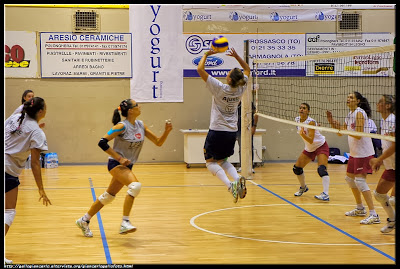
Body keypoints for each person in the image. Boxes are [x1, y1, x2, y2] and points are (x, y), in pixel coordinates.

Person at [75, 99, 172, 237]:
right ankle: (125, 222)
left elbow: (158, 142)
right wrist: (119, 158)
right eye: (137, 105)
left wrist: (166, 132)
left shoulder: (140, 125)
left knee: (108, 197)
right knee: (135, 186)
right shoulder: (121, 126)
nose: (140, 106)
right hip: (116, 164)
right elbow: (102, 142)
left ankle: (84, 220)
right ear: (131, 110)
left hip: (128, 165)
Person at [197, 47, 250, 203]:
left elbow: (200, 69)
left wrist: (206, 54)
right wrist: (237, 56)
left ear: (229, 79)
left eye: (228, 73)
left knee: (210, 163)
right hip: (231, 132)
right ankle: (237, 178)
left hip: (217, 130)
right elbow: (247, 69)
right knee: (223, 160)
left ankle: (230, 185)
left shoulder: (219, 88)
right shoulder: (242, 87)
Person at [4, 97, 52, 264]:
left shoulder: (17, 116)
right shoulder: (37, 132)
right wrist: (41, 189)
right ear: (40, 112)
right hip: (7, 170)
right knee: (8, 212)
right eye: (45, 107)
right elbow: (34, 163)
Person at [326, 91, 380, 225]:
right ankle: (360, 208)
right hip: (355, 153)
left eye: (351, 97)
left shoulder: (359, 113)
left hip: (364, 153)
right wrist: (332, 122)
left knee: (360, 182)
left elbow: (359, 134)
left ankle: (374, 214)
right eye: (348, 97)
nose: (348, 99)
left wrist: (346, 130)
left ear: (358, 101)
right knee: (349, 179)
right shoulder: (350, 114)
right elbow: (341, 133)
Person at [293, 103, 331, 201]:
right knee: (297, 168)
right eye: (300, 108)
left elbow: (310, 139)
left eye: (304, 108)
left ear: (308, 111)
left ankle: (325, 194)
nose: (301, 110)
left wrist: (302, 134)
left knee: (321, 169)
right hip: (309, 148)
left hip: (320, 146)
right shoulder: (297, 120)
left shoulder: (311, 122)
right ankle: (303, 187)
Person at [369, 94, 396, 233]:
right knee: (380, 195)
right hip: (391, 165)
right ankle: (392, 220)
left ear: (388, 106)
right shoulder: (384, 121)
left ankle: (392, 221)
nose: (377, 104)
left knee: (391, 200)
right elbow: (387, 145)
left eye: (381, 102)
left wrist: (378, 159)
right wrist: (382, 160)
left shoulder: (392, 121)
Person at [236, 101, 258, 173]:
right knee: (240, 148)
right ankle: (242, 166)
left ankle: (250, 167)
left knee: (249, 147)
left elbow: (256, 114)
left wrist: (254, 127)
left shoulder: (248, 102)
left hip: (247, 129)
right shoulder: (232, 101)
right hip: (235, 128)